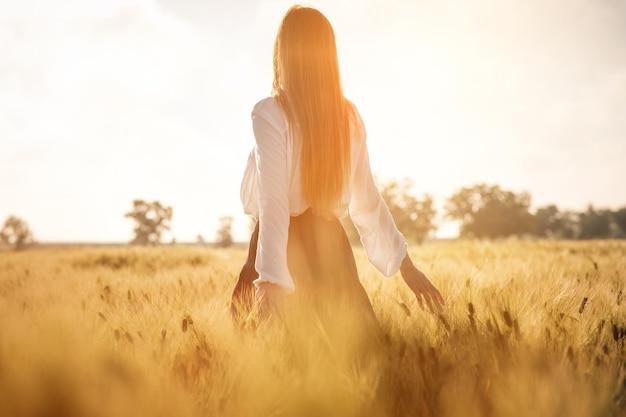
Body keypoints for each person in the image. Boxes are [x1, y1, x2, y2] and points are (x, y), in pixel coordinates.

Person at [231, 5, 444, 326]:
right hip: (331, 250)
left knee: (264, 367)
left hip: (277, 250)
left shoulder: (269, 113)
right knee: (358, 360)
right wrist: (406, 267)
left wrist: (271, 282)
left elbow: (273, 204)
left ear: (283, 53)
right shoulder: (348, 117)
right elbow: (368, 202)